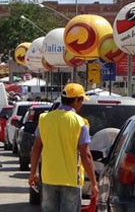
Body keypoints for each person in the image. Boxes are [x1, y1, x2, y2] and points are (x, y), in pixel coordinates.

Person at [28, 83, 98, 212]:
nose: (82, 104)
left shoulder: (44, 119)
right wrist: (93, 183)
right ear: (76, 100)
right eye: (81, 100)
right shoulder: (80, 123)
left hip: (49, 177)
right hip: (71, 179)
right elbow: (85, 155)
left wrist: (33, 172)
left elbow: (36, 148)